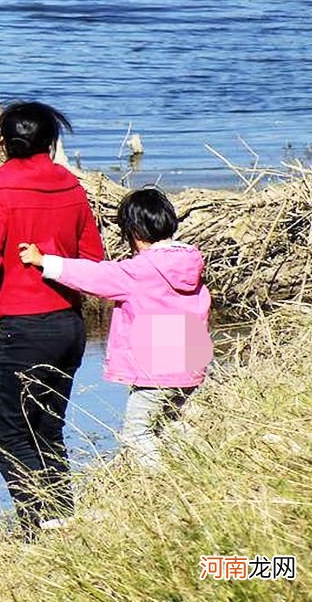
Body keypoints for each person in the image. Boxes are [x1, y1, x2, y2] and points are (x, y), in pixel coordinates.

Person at [0, 100, 105, 529]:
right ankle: (62, 520)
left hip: (24, 328)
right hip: (68, 325)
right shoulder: (70, 187)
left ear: (3, 143)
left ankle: (39, 525)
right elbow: (92, 258)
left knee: (3, 435)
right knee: (45, 430)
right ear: (51, 143)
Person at [18, 188, 212, 467]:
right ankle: (198, 466)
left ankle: (160, 481)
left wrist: (43, 261)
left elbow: (93, 276)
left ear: (132, 231)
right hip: (191, 365)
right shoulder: (189, 263)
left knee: (137, 433)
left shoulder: (139, 271)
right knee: (170, 424)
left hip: (156, 370)